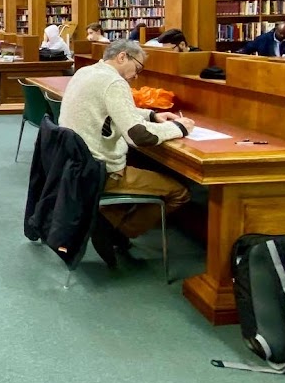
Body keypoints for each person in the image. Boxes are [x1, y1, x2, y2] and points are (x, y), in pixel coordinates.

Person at [59, 39, 194, 267]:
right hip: (104, 171)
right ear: (123, 57)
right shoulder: (114, 82)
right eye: (138, 68)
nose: (136, 76)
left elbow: (115, 109)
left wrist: (152, 115)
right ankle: (118, 230)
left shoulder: (86, 72)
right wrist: (180, 128)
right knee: (179, 192)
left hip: (76, 167)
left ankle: (108, 218)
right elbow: (139, 137)